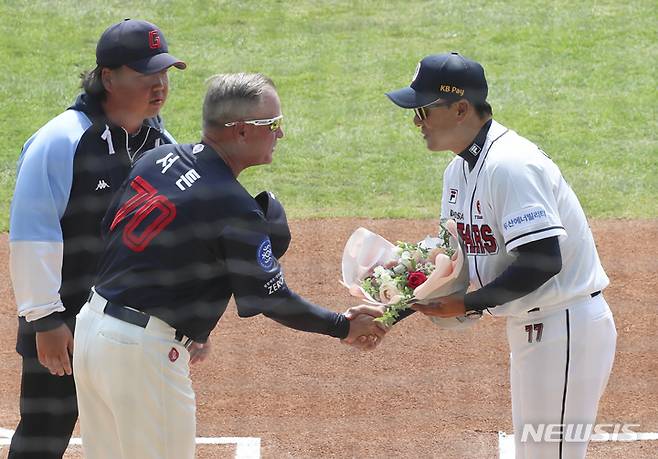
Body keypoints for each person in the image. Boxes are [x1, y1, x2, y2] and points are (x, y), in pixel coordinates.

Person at [72, 72, 386, 459]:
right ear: (240, 131)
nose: (280, 134)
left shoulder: (157, 159)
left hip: (91, 334)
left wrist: (189, 310)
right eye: (273, 125)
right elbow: (270, 298)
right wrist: (343, 325)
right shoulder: (233, 206)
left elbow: (111, 231)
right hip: (142, 357)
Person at [383, 52, 616, 458]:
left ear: (460, 109)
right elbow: (453, 260)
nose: (415, 121)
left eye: (423, 109)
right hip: (535, 328)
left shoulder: (511, 165)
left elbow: (543, 259)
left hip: (565, 327)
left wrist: (469, 304)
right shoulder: (458, 171)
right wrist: (391, 309)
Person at [8, 19, 185, 458]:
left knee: (135, 435)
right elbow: (33, 236)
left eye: (163, 73)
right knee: (45, 435)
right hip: (64, 323)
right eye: (146, 74)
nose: (159, 84)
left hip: (133, 328)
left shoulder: (160, 141)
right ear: (109, 77)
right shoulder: (60, 141)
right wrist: (44, 322)